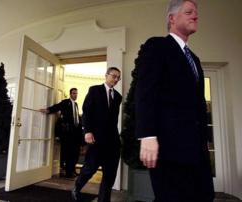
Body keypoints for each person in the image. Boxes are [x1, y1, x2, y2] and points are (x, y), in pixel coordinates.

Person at [134, 0, 214, 201]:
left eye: (196, 13)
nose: (195, 16)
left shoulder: (194, 59)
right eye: (188, 12)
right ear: (172, 18)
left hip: (197, 151)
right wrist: (148, 135)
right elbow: (145, 91)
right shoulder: (157, 46)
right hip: (169, 149)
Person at [72, 67, 122, 202]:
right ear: (106, 76)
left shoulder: (118, 97)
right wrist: (87, 131)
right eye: (114, 76)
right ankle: (77, 186)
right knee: (90, 168)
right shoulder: (94, 90)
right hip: (96, 139)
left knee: (110, 174)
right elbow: (86, 111)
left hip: (113, 141)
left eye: (118, 77)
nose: (116, 79)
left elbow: (113, 120)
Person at [39, 88, 82, 178]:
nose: (75, 95)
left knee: (75, 152)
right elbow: (57, 107)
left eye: (76, 93)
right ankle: (68, 172)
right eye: (74, 93)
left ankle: (73, 170)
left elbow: (76, 117)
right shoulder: (65, 102)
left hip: (75, 133)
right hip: (67, 132)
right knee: (68, 152)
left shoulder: (76, 104)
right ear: (70, 94)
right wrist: (48, 110)